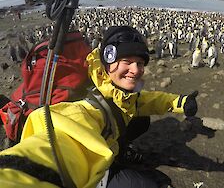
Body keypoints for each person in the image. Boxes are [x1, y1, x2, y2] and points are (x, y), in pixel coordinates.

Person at [0, 25, 199, 188]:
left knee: (141, 119)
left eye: (140, 62)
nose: (136, 70)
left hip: (107, 140)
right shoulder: (85, 108)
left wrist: (180, 102)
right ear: (108, 60)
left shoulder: (120, 93)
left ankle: (118, 153)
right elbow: (58, 144)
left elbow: (148, 100)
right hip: (90, 167)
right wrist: (18, 174)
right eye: (126, 61)